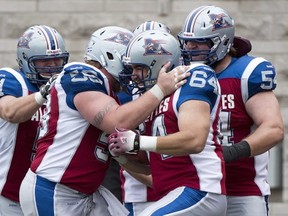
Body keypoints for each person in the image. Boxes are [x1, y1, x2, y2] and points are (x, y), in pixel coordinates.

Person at [19, 26, 189, 216]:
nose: (132, 73)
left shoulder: (108, 92)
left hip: (84, 192)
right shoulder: (80, 74)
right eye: (129, 66)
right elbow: (116, 121)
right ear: (109, 57)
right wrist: (159, 90)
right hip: (54, 190)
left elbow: (126, 156)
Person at [177, 5, 284, 216]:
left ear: (222, 42)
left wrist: (228, 154)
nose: (190, 49)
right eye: (187, 42)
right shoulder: (181, 74)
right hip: (195, 189)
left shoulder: (246, 73)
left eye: (199, 43)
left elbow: (273, 129)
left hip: (242, 191)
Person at [109, 29, 226, 215]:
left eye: (139, 68)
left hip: (200, 189)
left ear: (160, 65)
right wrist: (122, 158)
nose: (134, 75)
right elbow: (153, 173)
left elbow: (195, 140)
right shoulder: (151, 98)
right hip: (173, 193)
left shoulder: (193, 76)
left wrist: (139, 141)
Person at [0, 25, 69, 215]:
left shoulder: (63, 89)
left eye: (58, 59)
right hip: (6, 193)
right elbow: (9, 112)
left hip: (43, 193)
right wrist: (43, 94)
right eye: (43, 62)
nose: (53, 66)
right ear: (25, 60)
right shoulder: (13, 79)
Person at [117, 21, 172, 216]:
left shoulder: (186, 89)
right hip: (140, 192)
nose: (134, 75)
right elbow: (120, 151)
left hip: (181, 185)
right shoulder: (124, 94)